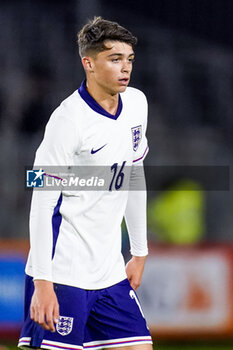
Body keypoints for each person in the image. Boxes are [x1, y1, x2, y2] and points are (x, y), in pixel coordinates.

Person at [18, 17, 152, 350]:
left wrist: (138, 251)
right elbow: (43, 202)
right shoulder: (68, 121)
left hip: (109, 274)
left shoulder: (137, 104)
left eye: (129, 59)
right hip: (63, 273)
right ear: (88, 63)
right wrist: (43, 282)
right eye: (114, 59)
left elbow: (134, 175)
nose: (126, 68)